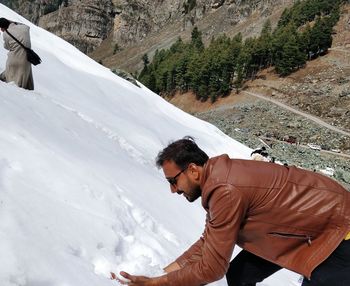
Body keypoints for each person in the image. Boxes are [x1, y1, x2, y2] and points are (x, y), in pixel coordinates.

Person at [112, 137, 350, 286]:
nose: (173, 190)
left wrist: (157, 284)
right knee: (239, 276)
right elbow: (209, 242)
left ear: (193, 170)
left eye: (173, 181)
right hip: (302, 228)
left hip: (335, 233)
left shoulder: (225, 189)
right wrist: (158, 274)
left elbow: (212, 267)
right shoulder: (219, 179)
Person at [0, 17, 34, 90]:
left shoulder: (6, 34)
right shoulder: (24, 28)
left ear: (3, 27)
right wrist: (10, 21)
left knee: (11, 84)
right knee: (23, 84)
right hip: (25, 60)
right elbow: (27, 26)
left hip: (13, 60)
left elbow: (7, 47)